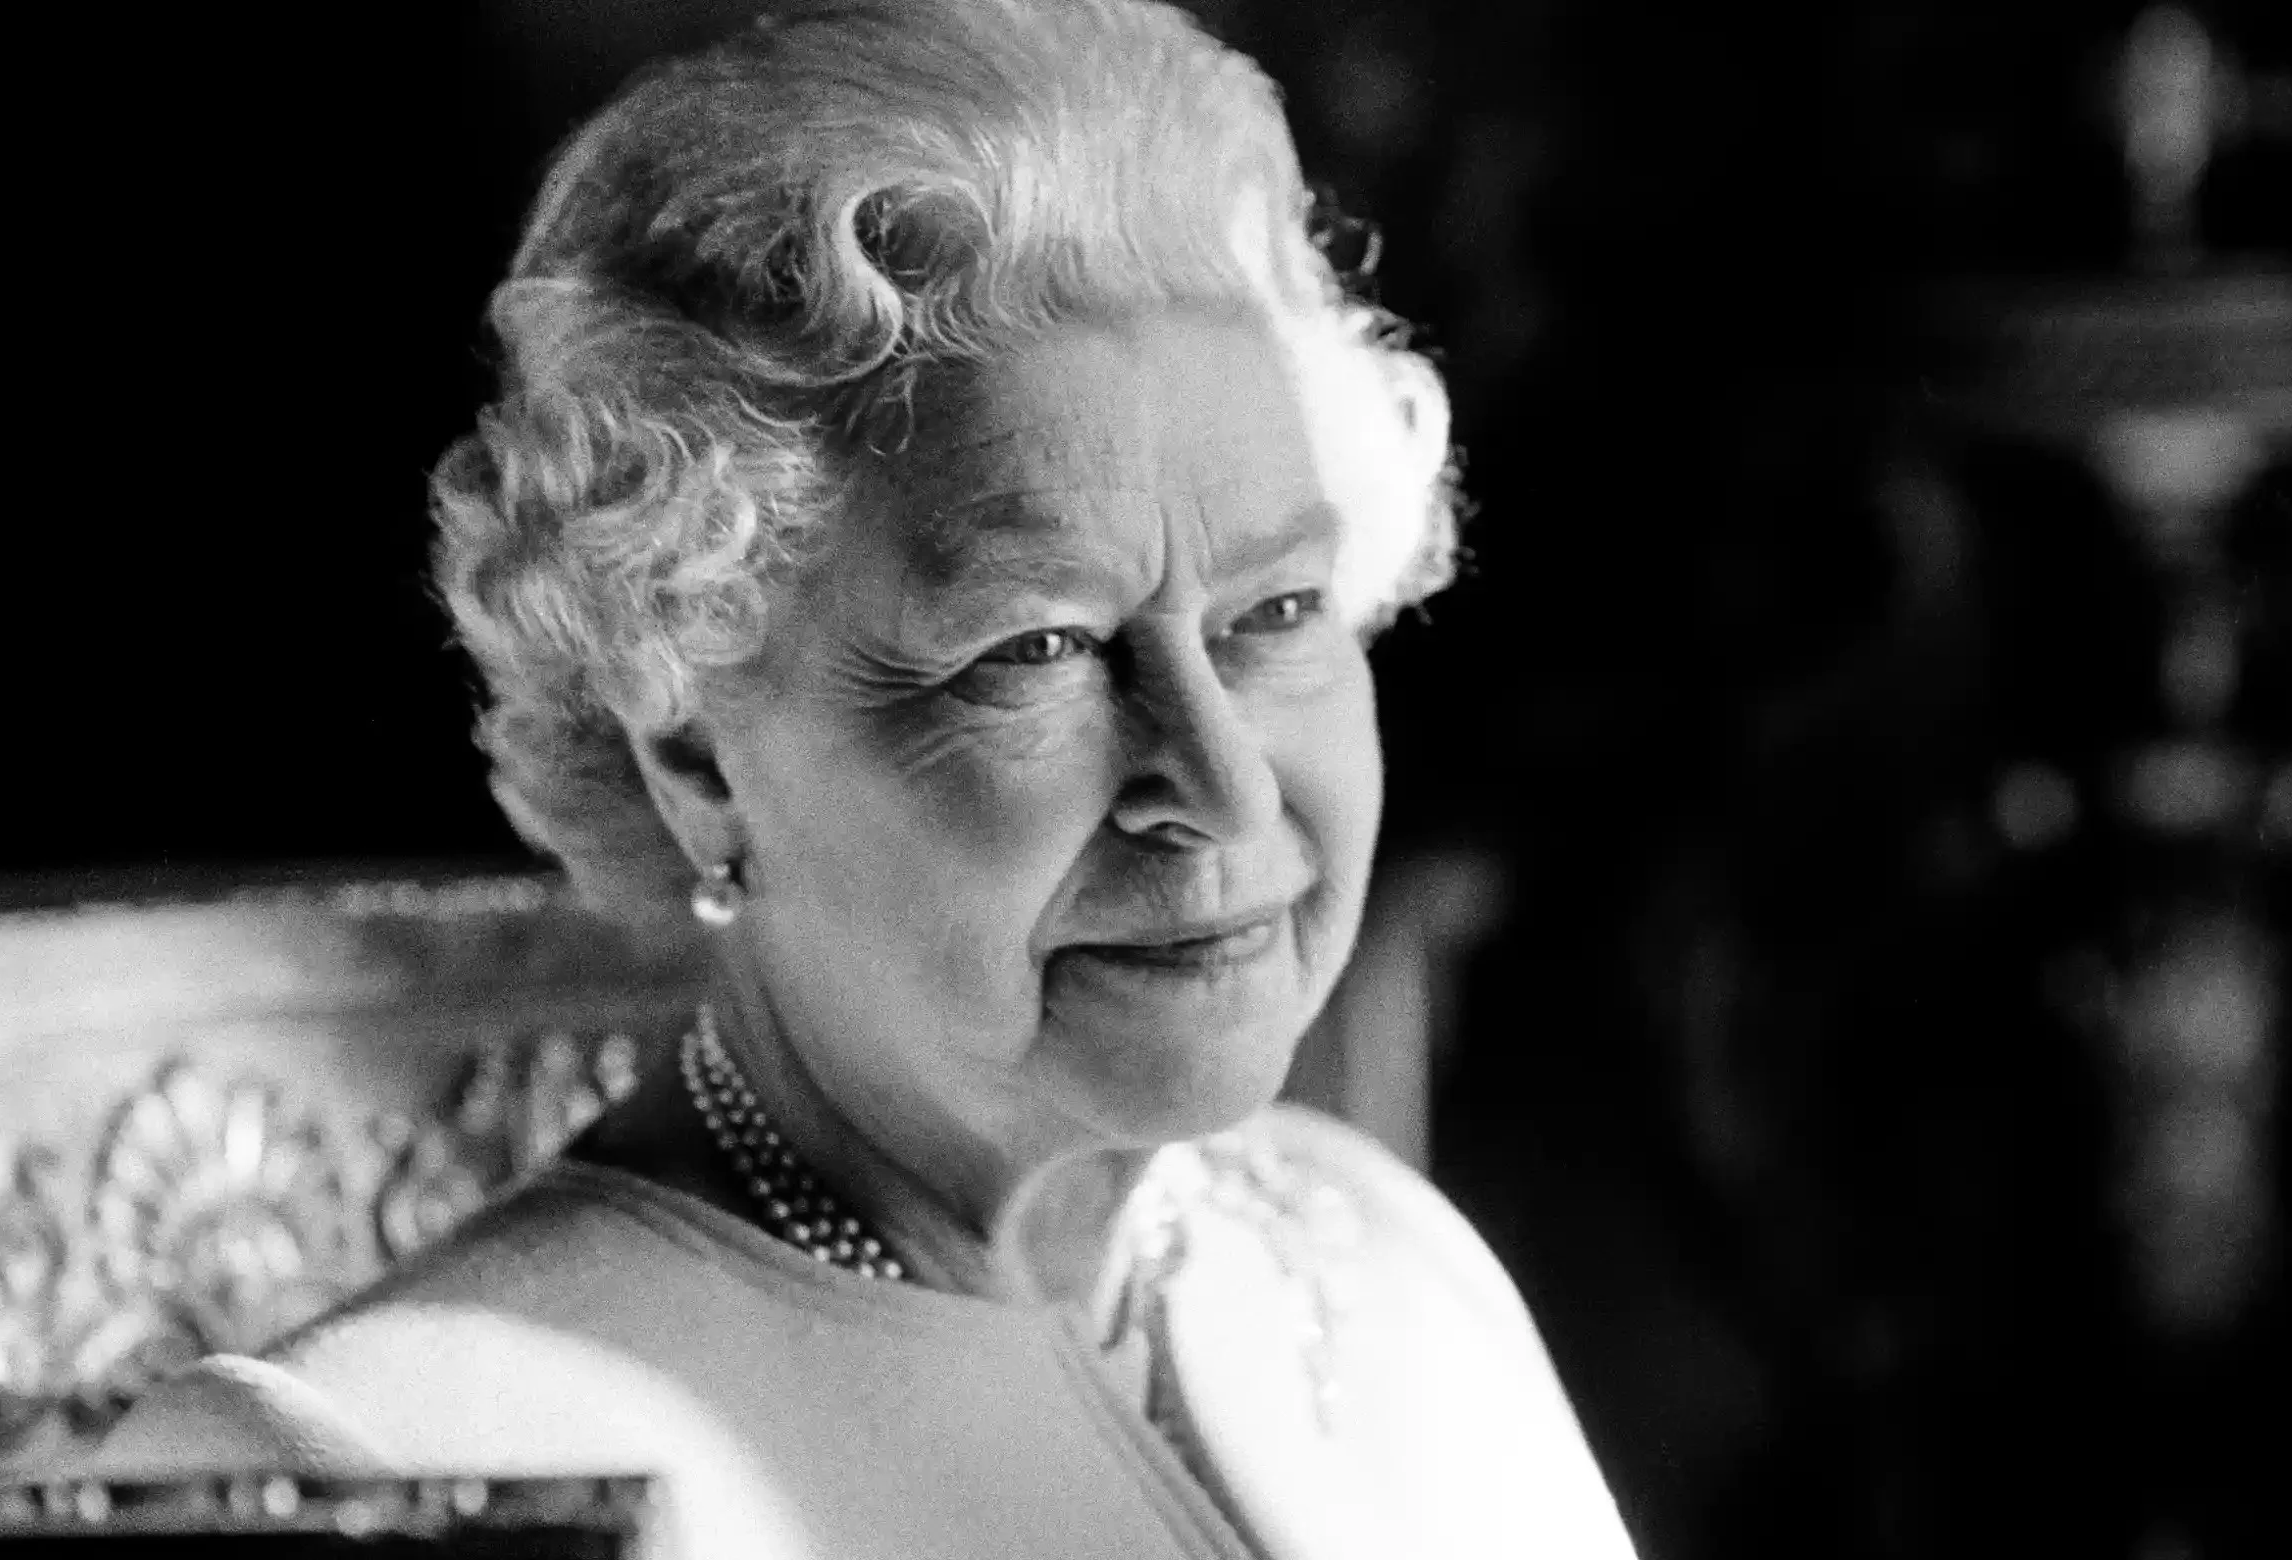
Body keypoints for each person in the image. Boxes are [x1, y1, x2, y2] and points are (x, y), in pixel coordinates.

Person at [95, 2, 1635, 1555]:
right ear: (693, 754)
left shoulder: (1380, 1264)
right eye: (1033, 649)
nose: (1225, 793)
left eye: (1276, 615)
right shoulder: (365, 1472)